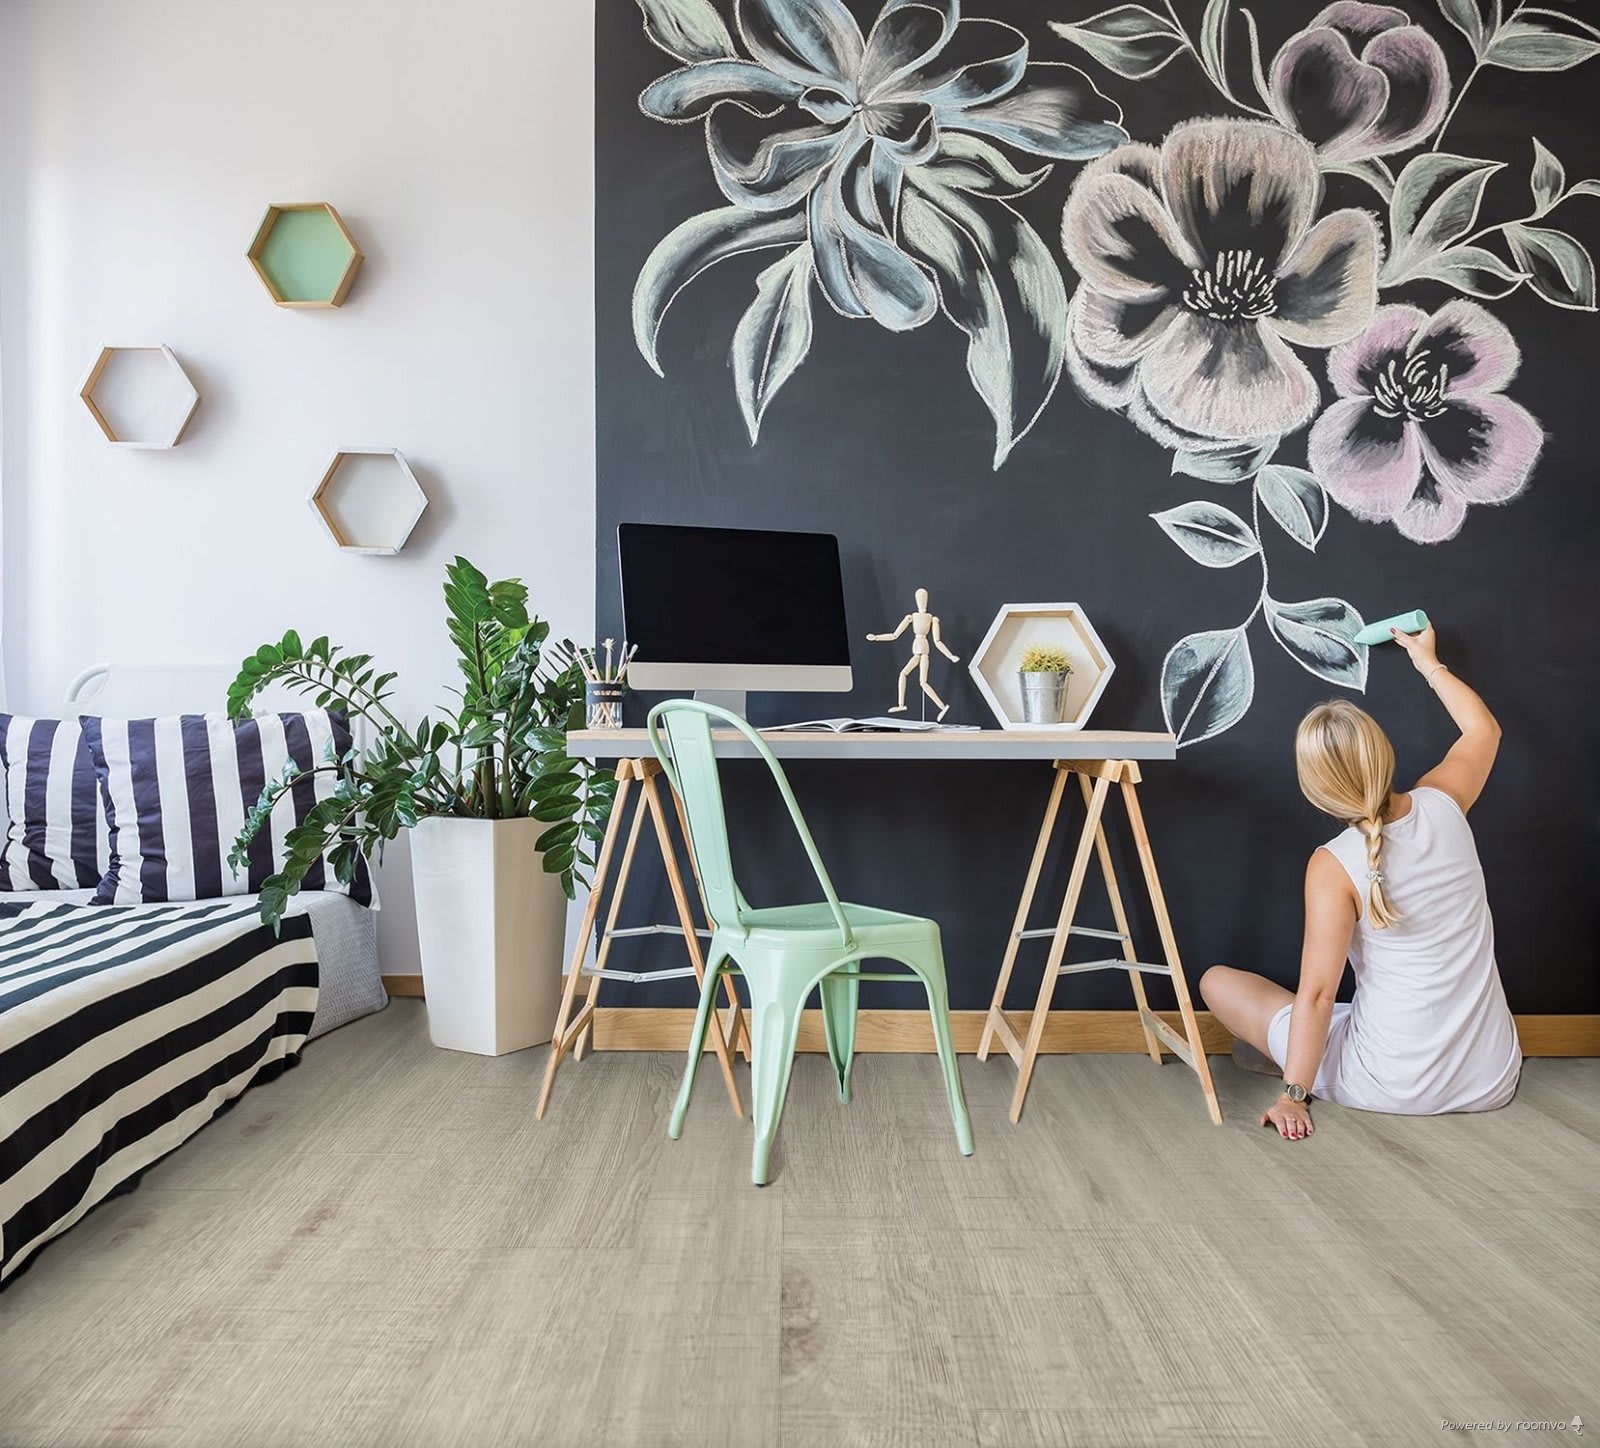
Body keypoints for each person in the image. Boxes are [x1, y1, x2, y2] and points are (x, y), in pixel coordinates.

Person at [1200, 621, 1521, 1140]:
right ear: (1383, 753)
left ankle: (1297, 1065)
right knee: (1354, 1007)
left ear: (1316, 790)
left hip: (1390, 1082)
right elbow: (1484, 730)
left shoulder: (1334, 863)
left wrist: (1294, 1097)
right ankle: (1299, 1053)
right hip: (1491, 1076)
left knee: (1217, 981)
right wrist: (1426, 661)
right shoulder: (1445, 806)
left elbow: (1319, 993)